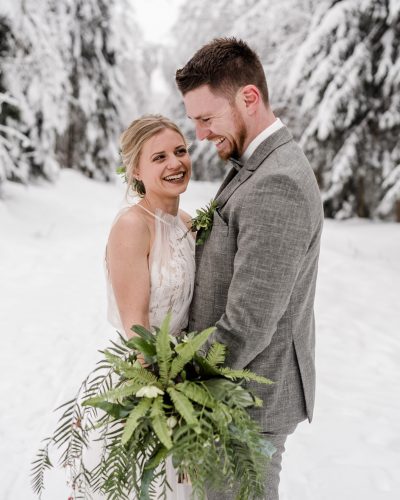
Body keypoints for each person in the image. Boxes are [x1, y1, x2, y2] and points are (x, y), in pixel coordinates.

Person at [175, 37, 324, 500]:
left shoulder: (277, 181)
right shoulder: (256, 164)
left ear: (249, 98)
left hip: (247, 404)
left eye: (206, 119)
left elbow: (248, 323)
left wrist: (179, 382)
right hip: (231, 394)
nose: (199, 135)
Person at [105, 114, 195, 500]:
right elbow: (136, 326)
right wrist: (164, 398)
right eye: (159, 157)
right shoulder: (132, 226)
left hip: (188, 376)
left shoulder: (189, 223)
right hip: (147, 381)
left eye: (180, 151)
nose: (175, 163)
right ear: (136, 170)